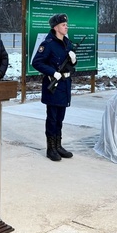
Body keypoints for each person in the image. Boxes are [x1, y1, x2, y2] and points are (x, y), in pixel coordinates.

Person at [32, 14, 77, 162]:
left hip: (64, 85)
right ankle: (50, 148)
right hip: (53, 85)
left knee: (60, 118)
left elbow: (70, 66)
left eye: (66, 24)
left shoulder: (67, 43)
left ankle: (58, 146)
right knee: (52, 118)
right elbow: (36, 62)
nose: (66, 26)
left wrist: (73, 61)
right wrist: (53, 72)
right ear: (56, 27)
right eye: (63, 25)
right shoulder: (48, 44)